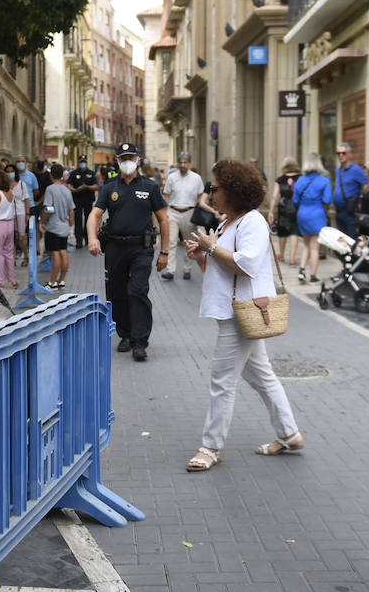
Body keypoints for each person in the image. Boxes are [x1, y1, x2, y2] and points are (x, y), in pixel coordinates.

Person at [182, 159, 303, 472]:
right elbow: (221, 270)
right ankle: (290, 434)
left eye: (216, 188)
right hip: (235, 310)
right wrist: (202, 255)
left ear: (233, 191)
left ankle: (210, 446)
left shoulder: (252, 222)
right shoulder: (229, 223)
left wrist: (211, 248)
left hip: (241, 312)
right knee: (262, 376)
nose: (211, 194)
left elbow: (247, 264)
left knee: (222, 381)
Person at [85, 143, 170, 362]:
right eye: (123, 158)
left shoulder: (150, 187)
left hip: (141, 248)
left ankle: (140, 341)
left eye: (131, 157)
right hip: (115, 247)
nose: (127, 162)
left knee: (137, 291)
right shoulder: (110, 187)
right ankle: (125, 334)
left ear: (138, 159)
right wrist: (93, 238)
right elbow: (95, 214)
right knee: (116, 292)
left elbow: (163, 218)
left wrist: (165, 252)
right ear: (118, 162)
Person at [161, 151, 205, 281]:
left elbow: (200, 195)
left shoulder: (196, 178)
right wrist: (167, 209)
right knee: (171, 241)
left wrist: (197, 210)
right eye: (180, 162)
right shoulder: (172, 177)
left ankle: (187, 269)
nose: (182, 165)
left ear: (189, 163)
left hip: (189, 212)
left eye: (185, 162)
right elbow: (166, 194)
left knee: (188, 242)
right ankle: (170, 270)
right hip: (173, 212)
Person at [291, 153, 333, 284]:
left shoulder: (300, 180)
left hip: (302, 214)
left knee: (306, 244)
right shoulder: (324, 181)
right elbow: (327, 199)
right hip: (317, 214)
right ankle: (313, 276)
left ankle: (302, 270)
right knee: (315, 247)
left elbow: (295, 200)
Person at [41, 163, 74, 289]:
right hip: (64, 226)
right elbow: (71, 211)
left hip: (53, 227)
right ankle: (61, 280)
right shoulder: (67, 190)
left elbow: (48, 209)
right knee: (64, 252)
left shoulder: (50, 189)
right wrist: (70, 226)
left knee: (55, 255)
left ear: (51, 175)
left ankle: (52, 282)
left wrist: (42, 222)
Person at [267, 158, 301, 265]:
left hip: (283, 208)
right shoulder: (300, 178)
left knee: (283, 232)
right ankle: (292, 259)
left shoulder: (280, 179)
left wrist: (271, 211)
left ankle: (281, 254)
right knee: (294, 232)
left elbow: (274, 196)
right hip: (296, 207)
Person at [331, 142, 368, 237]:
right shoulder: (337, 170)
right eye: (338, 153)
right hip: (338, 212)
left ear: (350, 154)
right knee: (342, 243)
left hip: (350, 212)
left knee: (352, 241)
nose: (341, 155)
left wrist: (360, 202)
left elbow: (367, 186)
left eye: (343, 153)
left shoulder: (357, 170)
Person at [69, 155, 98, 248]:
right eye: (81, 162)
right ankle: (79, 240)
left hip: (88, 199)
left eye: (84, 162)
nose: (82, 163)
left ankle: (87, 238)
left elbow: (96, 186)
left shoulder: (91, 173)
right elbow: (68, 184)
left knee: (88, 219)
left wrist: (87, 187)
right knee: (78, 220)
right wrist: (74, 190)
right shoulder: (74, 173)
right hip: (77, 199)